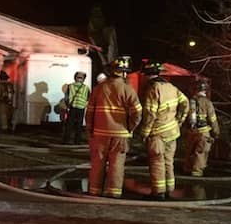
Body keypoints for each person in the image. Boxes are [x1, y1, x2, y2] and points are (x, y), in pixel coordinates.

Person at [85, 56, 142, 198]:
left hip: (99, 134)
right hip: (120, 134)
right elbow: (137, 113)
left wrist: (90, 130)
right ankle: (113, 193)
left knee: (97, 163)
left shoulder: (98, 89)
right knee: (116, 164)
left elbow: (89, 112)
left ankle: (94, 191)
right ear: (124, 73)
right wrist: (130, 127)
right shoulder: (128, 90)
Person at [138, 60, 189, 200]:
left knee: (157, 162)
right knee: (168, 162)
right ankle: (169, 190)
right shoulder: (171, 87)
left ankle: (158, 193)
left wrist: (144, 133)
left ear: (147, 75)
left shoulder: (152, 89)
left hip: (157, 134)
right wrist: (179, 121)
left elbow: (150, 113)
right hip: (172, 132)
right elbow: (185, 103)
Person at [183, 80, 220, 177]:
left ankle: (187, 170)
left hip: (191, 132)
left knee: (189, 151)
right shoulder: (207, 103)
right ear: (205, 90)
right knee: (200, 153)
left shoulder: (189, 101)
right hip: (203, 133)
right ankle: (196, 174)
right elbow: (212, 119)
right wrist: (216, 132)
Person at [62, 71, 91, 145]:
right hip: (81, 108)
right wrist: (85, 104)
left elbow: (66, 97)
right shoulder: (86, 88)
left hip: (72, 107)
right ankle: (77, 141)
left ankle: (66, 140)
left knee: (69, 124)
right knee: (79, 125)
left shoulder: (70, 86)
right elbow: (88, 98)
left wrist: (67, 105)